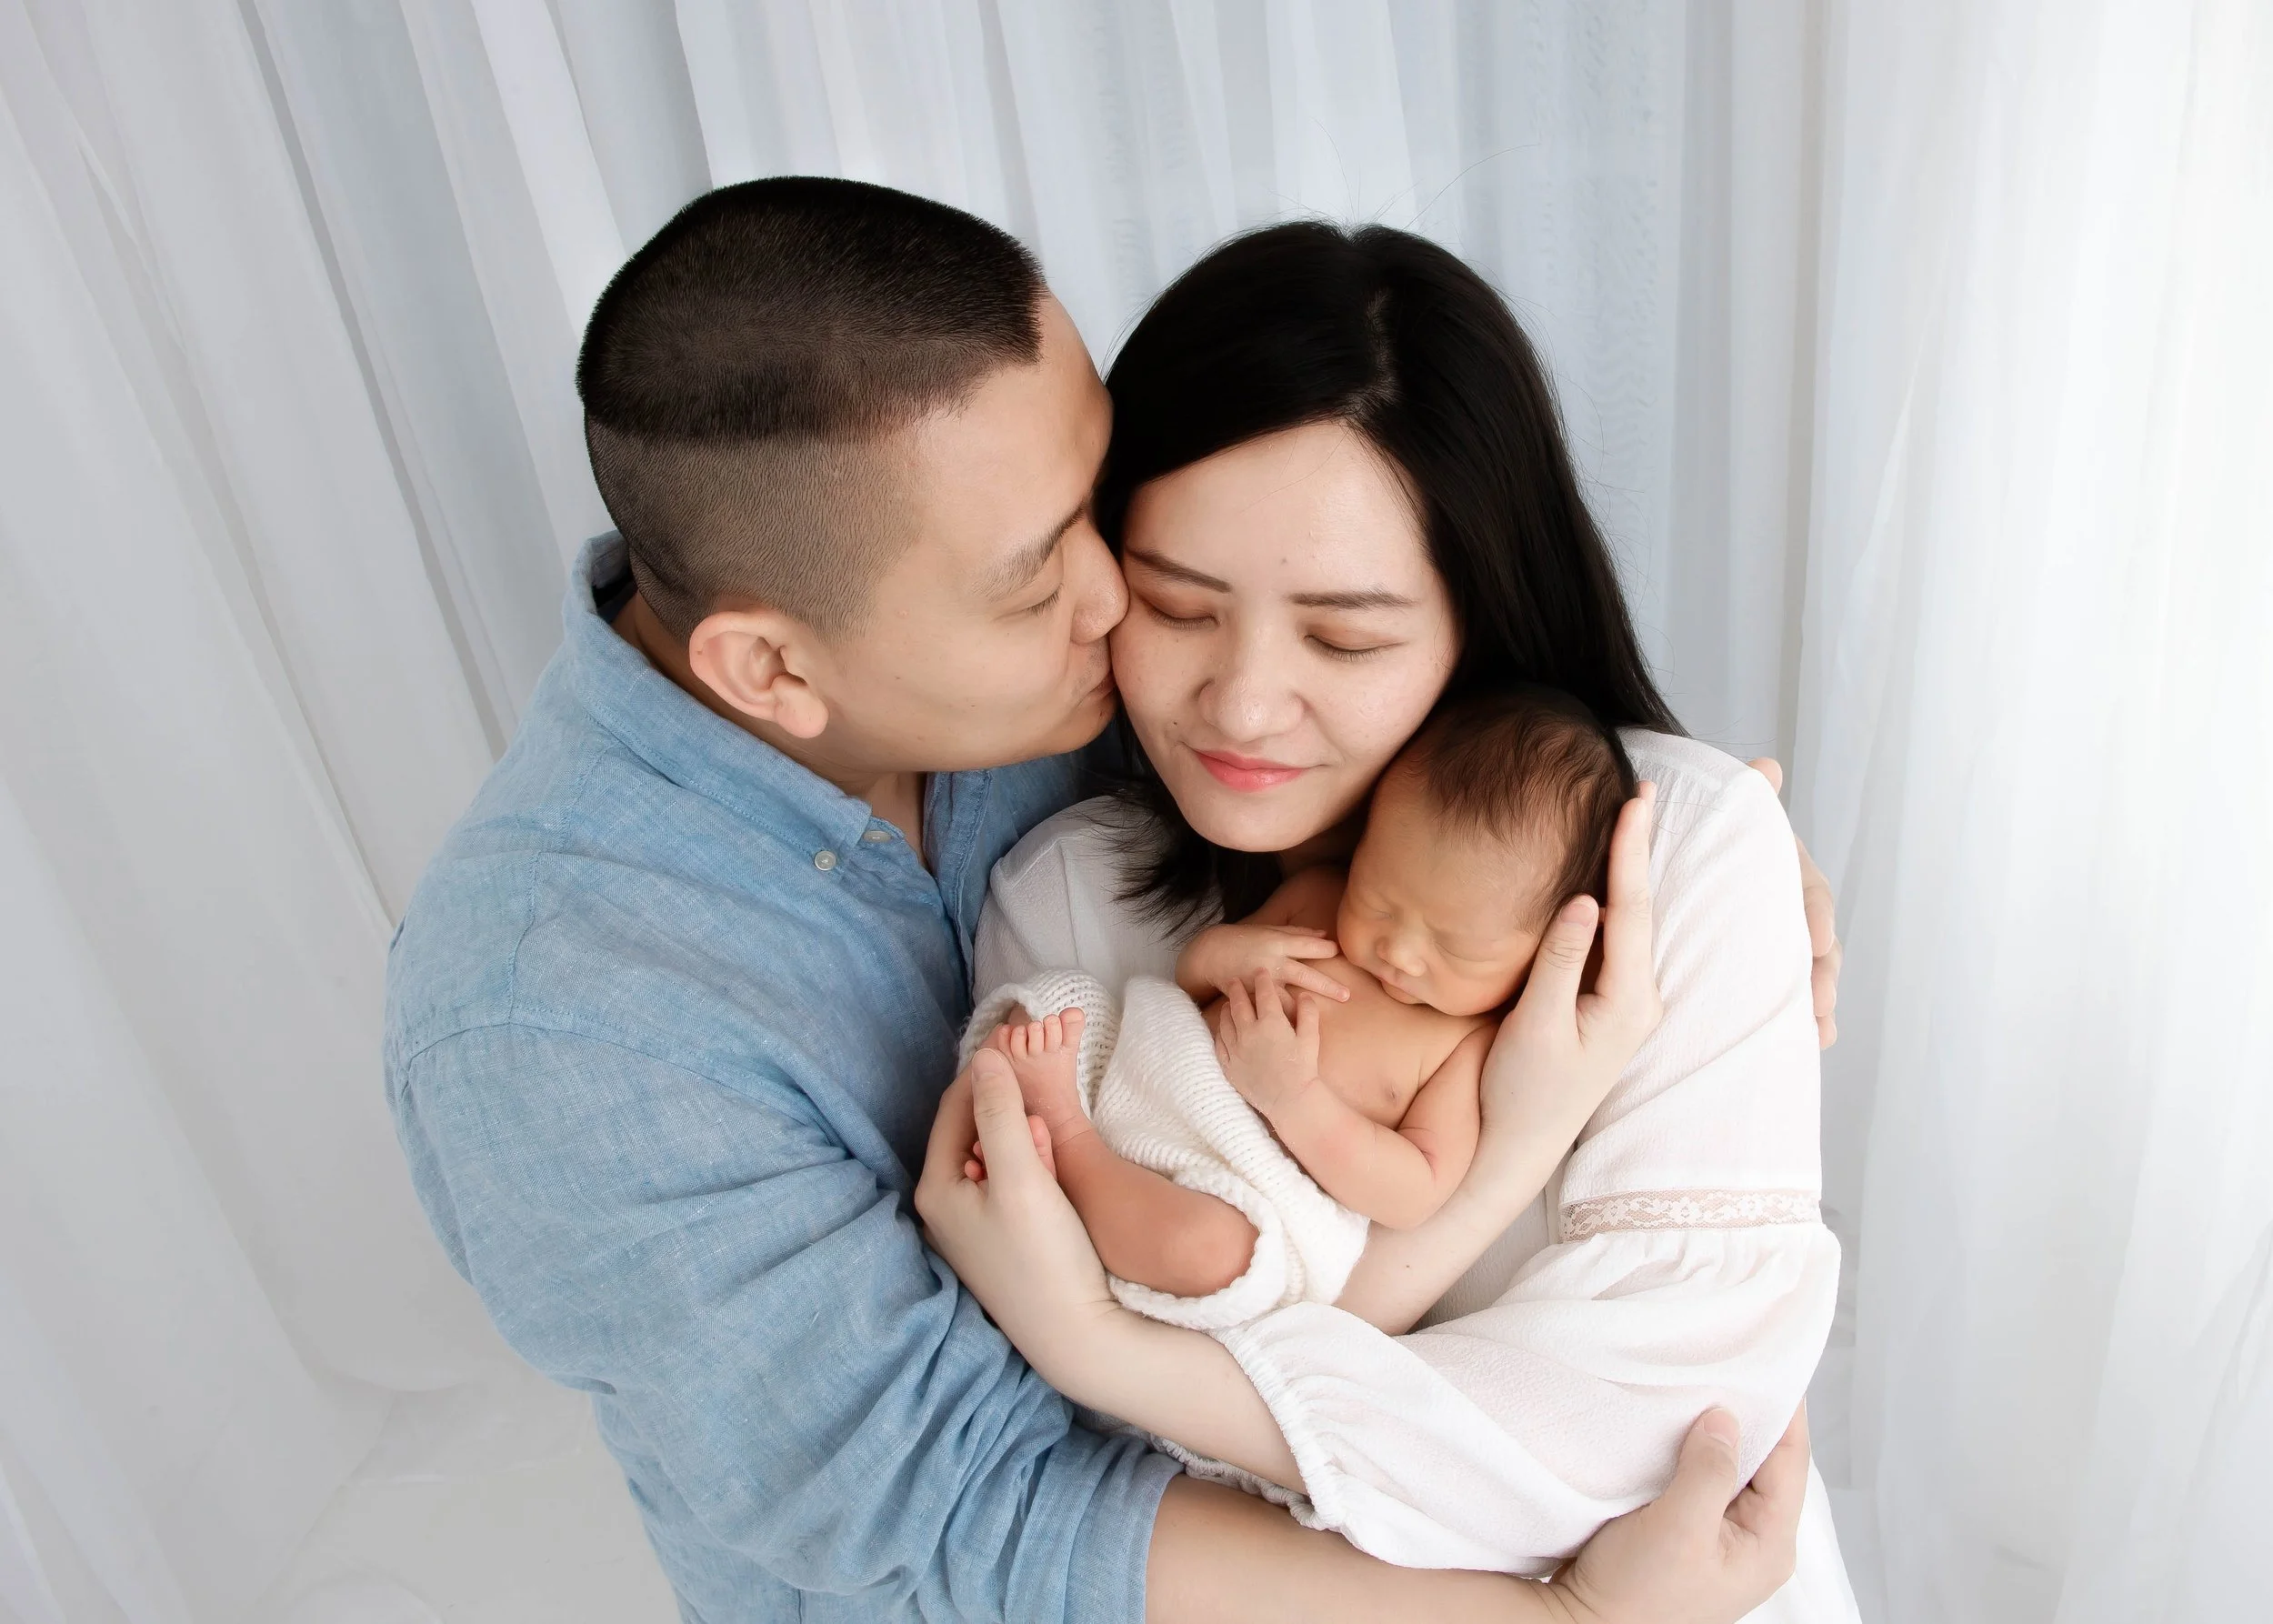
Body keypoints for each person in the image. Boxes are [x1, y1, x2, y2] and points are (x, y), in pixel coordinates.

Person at [384, 176, 1827, 1621]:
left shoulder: (1057, 672)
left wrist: (1711, 848)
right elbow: (976, 1511)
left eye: (1099, 511)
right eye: (1056, 584)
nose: (1120, 608)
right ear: (773, 672)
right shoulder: (554, 1023)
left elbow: (1386, 622)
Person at [920, 221, 1862, 1609]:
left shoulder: (1680, 854)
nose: (1240, 705)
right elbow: (1130, 1477)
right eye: (1177, 608)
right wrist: (1516, 1145)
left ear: (1479, 617)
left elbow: (1651, 1448)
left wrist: (1108, 1348)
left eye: (1346, 637)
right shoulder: (1067, 895)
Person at [964, 687, 1639, 1306]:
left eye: (1456, 948)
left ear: (1543, 951)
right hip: (1140, 1074)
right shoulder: (1319, 899)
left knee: (1209, 1252)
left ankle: (1068, 1149)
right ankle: (1034, 1148)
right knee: (1053, 1005)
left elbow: (1414, 1190)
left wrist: (1295, 1101)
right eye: (1380, 899)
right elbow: (1190, 984)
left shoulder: (1466, 1044)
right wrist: (1223, 955)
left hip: (1230, 1186)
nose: (1398, 951)